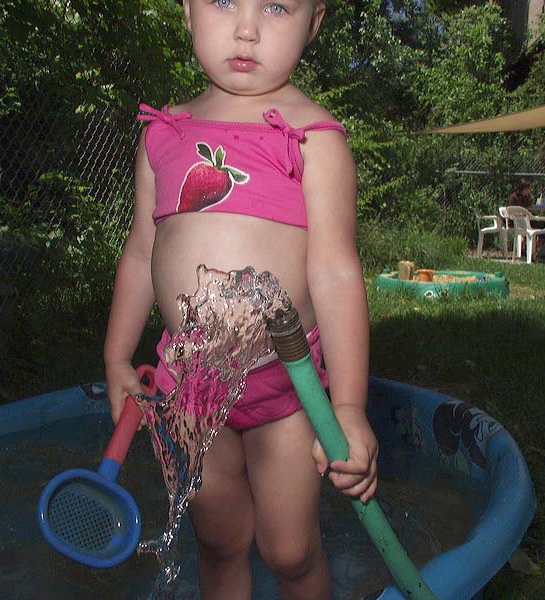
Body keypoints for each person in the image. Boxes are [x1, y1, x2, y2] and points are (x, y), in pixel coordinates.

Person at [103, 2, 377, 599]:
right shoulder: (164, 132)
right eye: (224, 0)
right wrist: (117, 355)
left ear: (314, 22)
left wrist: (349, 406)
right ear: (186, 9)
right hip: (193, 387)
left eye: (276, 6)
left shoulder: (313, 136)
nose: (246, 28)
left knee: (290, 550)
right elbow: (141, 253)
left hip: (286, 389)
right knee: (219, 541)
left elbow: (335, 273)